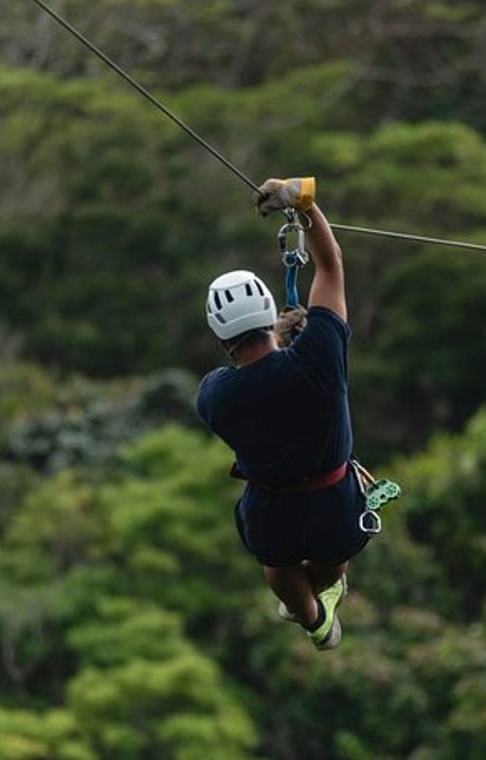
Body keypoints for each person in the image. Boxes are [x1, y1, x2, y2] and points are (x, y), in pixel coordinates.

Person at [195, 177, 366, 650]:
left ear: (219, 334)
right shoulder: (320, 356)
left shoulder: (214, 396)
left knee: (277, 567)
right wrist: (304, 204)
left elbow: (253, 386)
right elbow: (330, 266)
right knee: (334, 563)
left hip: (273, 513)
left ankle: (313, 620)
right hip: (334, 503)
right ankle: (320, 603)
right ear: (270, 310)